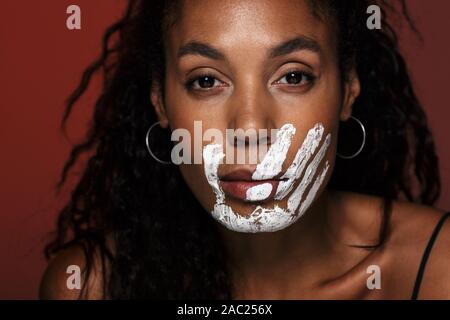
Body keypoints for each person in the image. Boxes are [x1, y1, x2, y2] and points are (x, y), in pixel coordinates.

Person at [39, 0, 450, 299]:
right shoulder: (86, 288)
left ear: (347, 91)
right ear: (160, 102)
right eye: (205, 81)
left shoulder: (436, 269)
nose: (251, 128)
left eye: (292, 76)